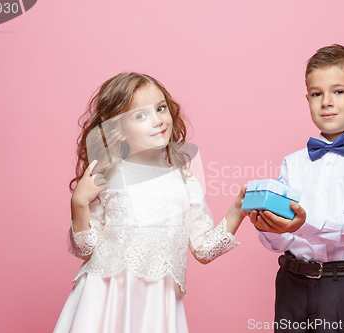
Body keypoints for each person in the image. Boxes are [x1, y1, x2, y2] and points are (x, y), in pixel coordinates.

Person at [54, 72, 248, 333]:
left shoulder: (185, 183)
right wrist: (78, 202)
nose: (157, 121)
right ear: (118, 131)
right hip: (103, 298)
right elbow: (84, 250)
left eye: (160, 108)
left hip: (156, 304)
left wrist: (238, 210)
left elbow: (204, 250)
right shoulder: (109, 177)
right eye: (141, 115)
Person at [250, 44, 344, 332]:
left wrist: (302, 222)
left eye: (338, 91)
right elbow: (284, 241)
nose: (326, 101)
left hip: (342, 287)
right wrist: (270, 227)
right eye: (317, 94)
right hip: (291, 283)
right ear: (307, 99)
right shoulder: (293, 161)